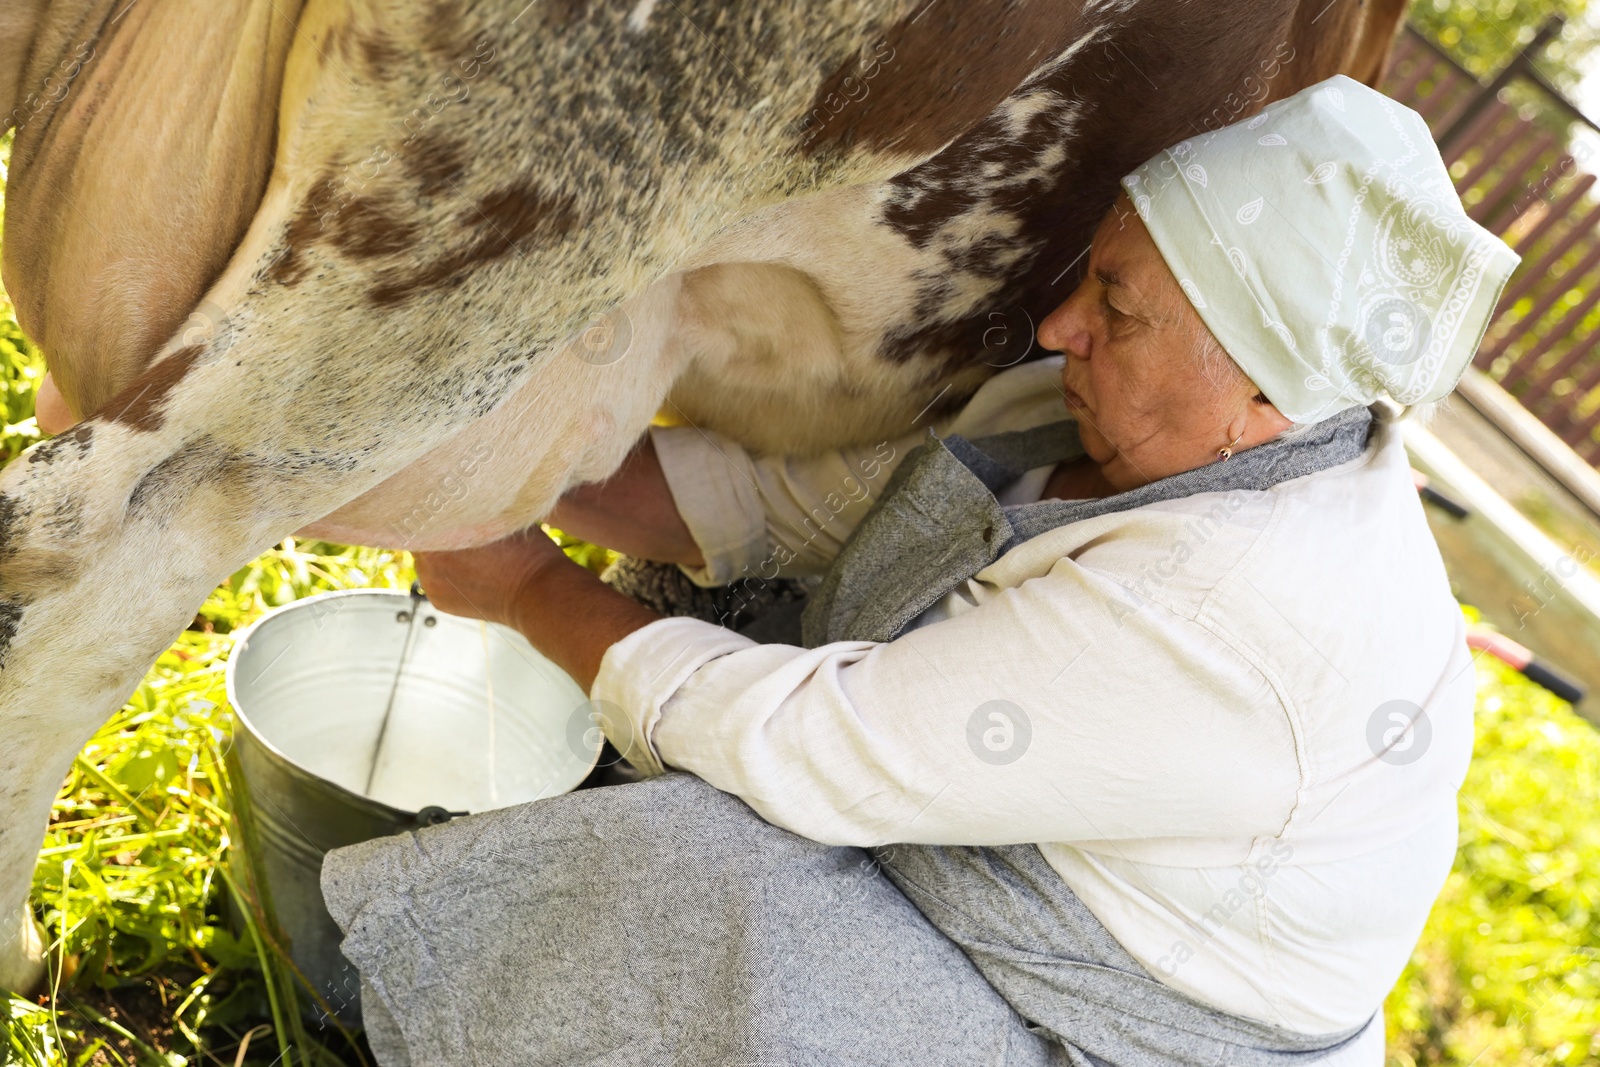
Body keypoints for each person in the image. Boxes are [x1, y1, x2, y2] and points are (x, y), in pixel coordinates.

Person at [321, 76, 1519, 1066]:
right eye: (1094, 271)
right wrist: (496, 461)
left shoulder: (1227, 618)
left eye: (1117, 305)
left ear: (1260, 392)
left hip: (1118, 1033)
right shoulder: (1121, 420)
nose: (1060, 328)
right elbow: (806, 512)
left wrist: (529, 587)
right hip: (1016, 886)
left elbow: (813, 748)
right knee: (720, 629)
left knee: (720, 879)